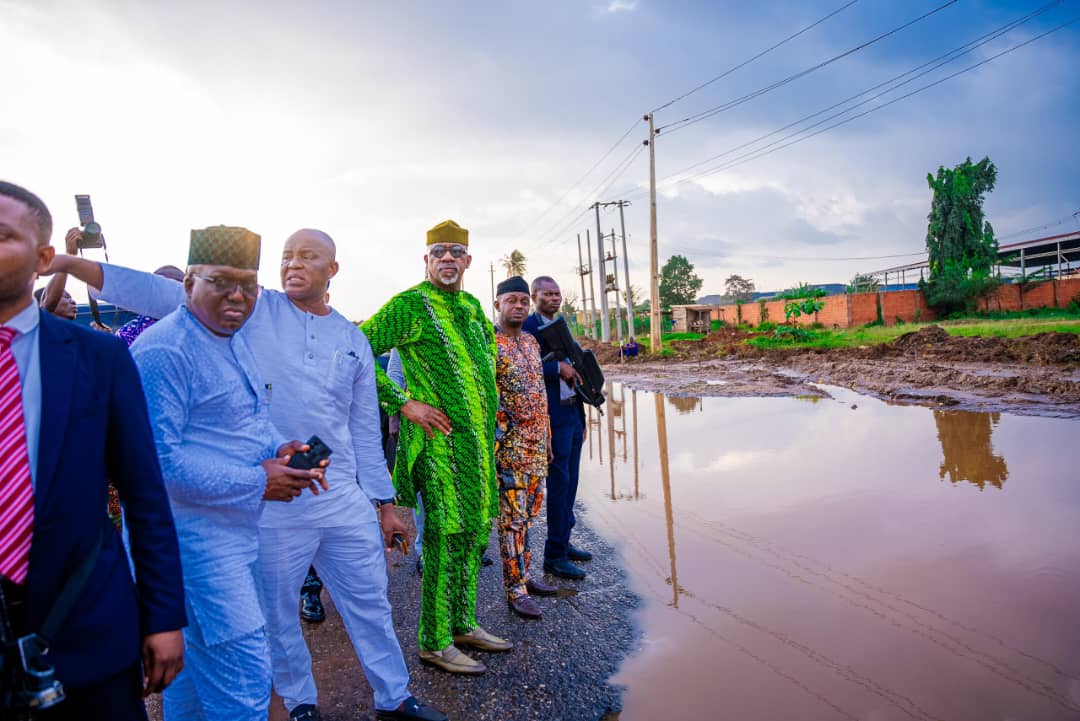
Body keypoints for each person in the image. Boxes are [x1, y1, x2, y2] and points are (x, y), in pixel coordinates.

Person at [53, 228, 445, 721]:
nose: (293, 264)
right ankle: (300, 701)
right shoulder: (254, 312)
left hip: (337, 491)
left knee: (370, 601)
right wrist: (72, 264)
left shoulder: (350, 338)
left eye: (307, 256)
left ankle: (394, 695)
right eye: (287, 256)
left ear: (333, 270)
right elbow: (162, 294)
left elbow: (364, 428)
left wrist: (384, 503)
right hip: (269, 498)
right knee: (274, 616)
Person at [0, 181, 186, 720]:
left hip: (84, 631)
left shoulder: (99, 355)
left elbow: (145, 495)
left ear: (40, 258)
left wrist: (161, 616)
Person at [362, 219, 511, 675]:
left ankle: (463, 623)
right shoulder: (410, 305)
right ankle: (434, 640)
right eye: (438, 252)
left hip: (478, 448)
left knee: (472, 536)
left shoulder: (469, 306)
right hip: (439, 447)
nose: (448, 258)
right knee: (445, 541)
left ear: (467, 261)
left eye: (456, 252)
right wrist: (403, 402)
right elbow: (356, 350)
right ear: (426, 260)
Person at [492, 277, 558, 619]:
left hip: (536, 447)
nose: (519, 306)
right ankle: (514, 589)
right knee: (512, 522)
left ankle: (526, 576)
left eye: (522, 301)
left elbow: (540, 394)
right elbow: (491, 403)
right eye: (511, 301)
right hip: (509, 450)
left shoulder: (532, 342)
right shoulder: (490, 345)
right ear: (498, 305)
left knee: (529, 518)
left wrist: (546, 438)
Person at [522, 276, 593, 580]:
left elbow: (576, 369)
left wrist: (583, 419)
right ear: (534, 296)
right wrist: (555, 368)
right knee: (559, 485)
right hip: (551, 420)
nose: (554, 298)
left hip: (571, 415)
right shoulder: (526, 327)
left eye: (557, 293)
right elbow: (521, 365)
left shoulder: (561, 325)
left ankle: (564, 541)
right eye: (547, 294)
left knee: (571, 484)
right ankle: (554, 556)